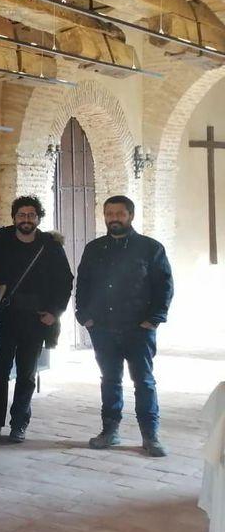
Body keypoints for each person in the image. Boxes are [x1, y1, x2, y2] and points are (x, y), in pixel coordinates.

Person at [76, 195, 174, 457]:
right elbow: (82, 283)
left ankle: (150, 435)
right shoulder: (94, 248)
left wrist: (153, 320)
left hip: (138, 328)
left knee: (143, 381)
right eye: (109, 213)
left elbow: (164, 286)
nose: (114, 218)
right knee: (109, 380)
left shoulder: (150, 248)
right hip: (103, 328)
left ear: (130, 215)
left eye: (119, 213)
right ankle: (110, 431)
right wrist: (84, 316)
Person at [0, 195, 73, 444]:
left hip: (35, 319)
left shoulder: (50, 245)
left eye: (31, 215)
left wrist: (55, 312)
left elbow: (65, 280)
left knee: (27, 374)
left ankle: (19, 423)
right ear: (14, 217)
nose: (26, 219)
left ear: (38, 218)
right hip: (4, 318)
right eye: (22, 215)